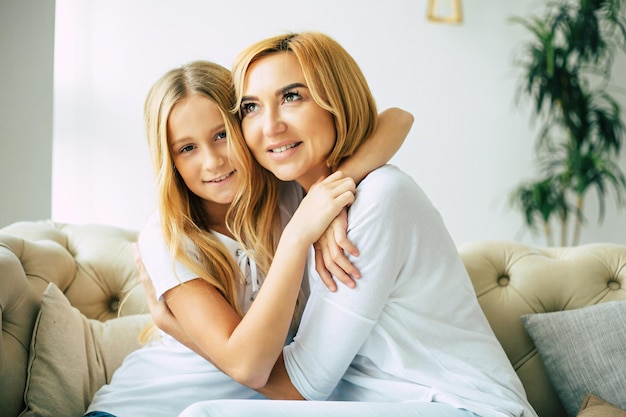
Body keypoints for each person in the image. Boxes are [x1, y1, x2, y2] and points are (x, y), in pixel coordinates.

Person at [176, 32, 538, 417]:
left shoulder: (379, 198)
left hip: (462, 405)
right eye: (251, 107)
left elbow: (303, 385)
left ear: (338, 101)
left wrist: (178, 326)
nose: (271, 126)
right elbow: (394, 122)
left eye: (292, 97)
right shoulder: (296, 202)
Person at [84, 59, 412, 417]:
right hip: (142, 408)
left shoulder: (289, 190)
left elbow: (398, 119)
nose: (212, 162)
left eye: (221, 135)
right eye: (187, 148)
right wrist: (298, 234)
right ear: (171, 160)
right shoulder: (170, 236)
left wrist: (334, 191)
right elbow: (249, 366)